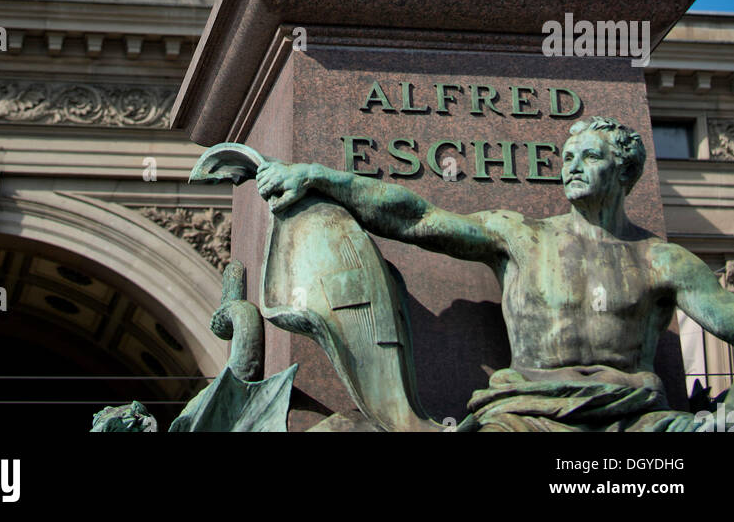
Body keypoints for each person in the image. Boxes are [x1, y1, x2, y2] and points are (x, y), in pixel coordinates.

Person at [254, 116, 734, 431]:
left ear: (625, 170)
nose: (573, 167)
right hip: (526, 415)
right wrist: (321, 176)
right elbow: (417, 218)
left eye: (590, 157)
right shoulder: (521, 236)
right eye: (567, 158)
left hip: (637, 419)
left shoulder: (663, 260)